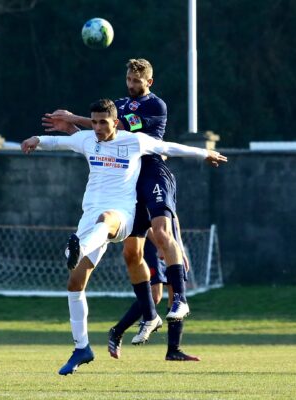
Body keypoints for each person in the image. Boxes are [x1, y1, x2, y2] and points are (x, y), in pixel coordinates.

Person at [22, 99, 226, 376]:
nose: (97, 127)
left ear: (115, 122)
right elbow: (55, 143)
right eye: (93, 122)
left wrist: (204, 153)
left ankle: (78, 249)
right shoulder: (86, 140)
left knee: (106, 220)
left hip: (121, 215)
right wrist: (35, 139)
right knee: (75, 283)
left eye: (102, 122)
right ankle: (82, 348)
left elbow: (169, 148)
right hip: (88, 219)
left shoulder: (135, 141)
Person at [42, 58, 199, 361]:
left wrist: (75, 117)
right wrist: (70, 127)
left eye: (137, 81)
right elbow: (102, 134)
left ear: (149, 82)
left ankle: (177, 314)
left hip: (151, 173)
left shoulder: (156, 107)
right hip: (128, 187)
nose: (131, 85)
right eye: (128, 79)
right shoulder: (118, 104)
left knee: (165, 238)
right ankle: (141, 325)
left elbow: (118, 127)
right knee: (132, 255)